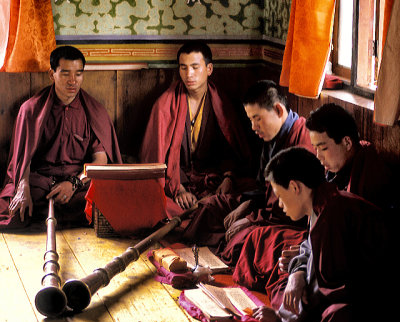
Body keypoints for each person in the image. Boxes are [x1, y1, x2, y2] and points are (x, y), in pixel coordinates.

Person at [234, 102, 396, 306]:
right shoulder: (335, 169)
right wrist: (305, 253)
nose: (318, 157)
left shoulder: (371, 175)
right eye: (316, 148)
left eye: (323, 148)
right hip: (319, 244)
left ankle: (287, 308)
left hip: (348, 266)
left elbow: (353, 248)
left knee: (285, 262)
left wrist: (305, 262)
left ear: (347, 142)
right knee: (261, 239)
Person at [252, 147, 390, 322]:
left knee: (335, 319)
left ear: (295, 187)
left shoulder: (330, 214)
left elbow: (326, 286)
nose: (280, 206)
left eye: (280, 197)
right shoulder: (323, 199)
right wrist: (297, 273)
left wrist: (281, 316)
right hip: (352, 284)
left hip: (372, 293)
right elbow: (309, 248)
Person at [182, 80, 313, 265]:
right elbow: (262, 188)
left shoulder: (302, 142)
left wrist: (252, 219)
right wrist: (247, 205)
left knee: (245, 240)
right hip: (266, 210)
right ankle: (206, 252)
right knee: (211, 207)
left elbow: (289, 210)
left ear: (278, 110)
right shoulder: (272, 136)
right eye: (250, 120)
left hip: (286, 220)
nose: (253, 127)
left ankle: (219, 255)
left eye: (257, 119)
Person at [0, 45, 122, 229]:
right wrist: (23, 187)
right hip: (40, 182)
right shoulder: (31, 110)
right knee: (15, 208)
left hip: (78, 182)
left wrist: (73, 184)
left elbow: (100, 160)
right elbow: (23, 161)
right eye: (65, 74)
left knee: (107, 198)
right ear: (52, 74)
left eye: (78, 74)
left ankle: (55, 213)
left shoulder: (94, 111)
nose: (73, 81)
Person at [139, 41, 253, 217]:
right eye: (183, 68)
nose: (188, 74)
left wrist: (228, 178)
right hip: (176, 178)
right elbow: (157, 157)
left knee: (245, 197)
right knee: (155, 203)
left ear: (209, 69)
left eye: (195, 67)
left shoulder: (220, 103)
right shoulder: (165, 105)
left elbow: (229, 148)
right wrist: (179, 189)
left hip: (211, 179)